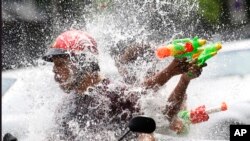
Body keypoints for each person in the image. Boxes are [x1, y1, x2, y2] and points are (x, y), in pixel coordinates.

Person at [42, 30, 209, 140]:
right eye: (55, 65)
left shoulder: (114, 96)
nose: (55, 71)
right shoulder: (66, 107)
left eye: (60, 64)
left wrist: (179, 77)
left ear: (83, 63)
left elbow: (159, 117)